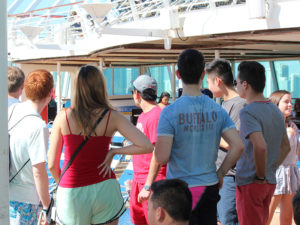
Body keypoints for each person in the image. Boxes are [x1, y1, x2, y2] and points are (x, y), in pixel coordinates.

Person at [140, 49, 244, 225]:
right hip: (209, 186)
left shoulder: (169, 112)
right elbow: (238, 146)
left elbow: (162, 156)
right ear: (203, 74)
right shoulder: (217, 109)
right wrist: (221, 173)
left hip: (181, 191)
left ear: (177, 74)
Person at [48, 65, 153, 225]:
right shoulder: (112, 116)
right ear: (101, 87)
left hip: (72, 191)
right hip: (104, 188)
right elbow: (146, 145)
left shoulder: (64, 117)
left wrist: (64, 185)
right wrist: (114, 152)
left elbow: (51, 165)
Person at [235, 61, 291, 225]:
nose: (236, 86)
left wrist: (260, 174)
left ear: (245, 84)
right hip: (270, 181)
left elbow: (260, 146)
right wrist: (269, 168)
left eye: (237, 82)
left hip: (250, 181)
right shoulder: (274, 109)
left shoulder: (247, 111)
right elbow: (285, 146)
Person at [9, 69, 53, 225]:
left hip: (6, 193)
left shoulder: (12, 110)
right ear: (51, 94)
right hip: (24, 199)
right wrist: (47, 206)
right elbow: (38, 171)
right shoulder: (38, 126)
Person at [206, 58, 246, 225]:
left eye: (208, 81)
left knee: (229, 220)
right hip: (222, 174)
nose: (207, 86)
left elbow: (232, 142)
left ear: (218, 81)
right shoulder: (225, 104)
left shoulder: (239, 105)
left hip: (231, 176)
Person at [130, 75, 167, 225]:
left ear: (137, 94)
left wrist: (147, 185)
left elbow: (157, 153)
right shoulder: (144, 116)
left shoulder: (156, 115)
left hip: (152, 181)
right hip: (140, 178)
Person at [266, 90, 300, 225]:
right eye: (286, 102)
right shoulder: (269, 125)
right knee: (266, 217)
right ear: (275, 104)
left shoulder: (293, 126)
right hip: (274, 174)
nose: (290, 105)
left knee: (287, 219)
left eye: (290, 102)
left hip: (291, 174)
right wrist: (288, 136)